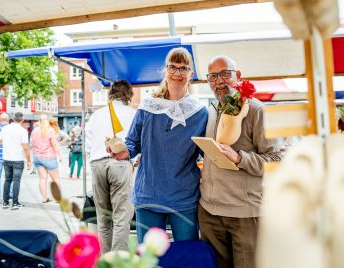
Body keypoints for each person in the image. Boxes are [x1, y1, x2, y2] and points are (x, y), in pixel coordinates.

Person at [111, 47, 208, 243]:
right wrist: (124, 152)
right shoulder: (148, 106)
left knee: (185, 258)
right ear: (165, 71)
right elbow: (132, 142)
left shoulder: (200, 112)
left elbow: (205, 152)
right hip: (149, 193)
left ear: (190, 74)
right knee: (149, 259)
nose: (177, 73)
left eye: (183, 68)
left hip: (184, 197)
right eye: (172, 67)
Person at [198, 55, 282, 268]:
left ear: (238, 75)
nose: (219, 81)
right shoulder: (212, 110)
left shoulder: (256, 110)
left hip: (245, 215)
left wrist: (239, 158)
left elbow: (276, 159)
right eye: (213, 76)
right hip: (210, 212)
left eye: (225, 74)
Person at [86, 80, 137, 253]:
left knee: (103, 218)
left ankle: (105, 260)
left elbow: (87, 144)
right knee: (121, 217)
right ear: (129, 95)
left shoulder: (96, 114)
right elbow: (138, 143)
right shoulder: (132, 113)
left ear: (110, 94)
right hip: (120, 164)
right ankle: (117, 262)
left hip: (97, 164)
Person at [0, 112, 31, 210]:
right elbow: (25, 148)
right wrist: (29, 160)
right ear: (22, 120)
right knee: (16, 180)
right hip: (18, 159)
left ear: (13, 118)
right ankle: (15, 203)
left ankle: (5, 202)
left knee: (7, 180)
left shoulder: (5, 128)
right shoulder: (23, 131)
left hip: (6, 159)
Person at [31, 115, 62, 203]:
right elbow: (54, 144)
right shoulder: (50, 130)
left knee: (42, 179)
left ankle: (44, 198)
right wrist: (59, 155)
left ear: (39, 121)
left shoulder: (34, 131)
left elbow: (32, 144)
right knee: (55, 179)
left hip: (37, 158)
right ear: (47, 121)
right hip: (49, 158)